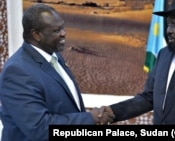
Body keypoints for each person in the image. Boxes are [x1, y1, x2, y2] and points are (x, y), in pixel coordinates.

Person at [0, 3, 115, 141]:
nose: (64, 33)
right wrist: (90, 118)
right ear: (36, 35)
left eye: (63, 28)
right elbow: (40, 128)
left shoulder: (54, 56)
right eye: (56, 30)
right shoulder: (17, 72)